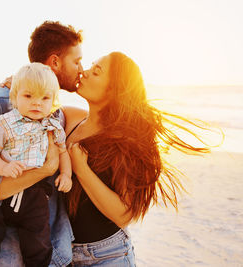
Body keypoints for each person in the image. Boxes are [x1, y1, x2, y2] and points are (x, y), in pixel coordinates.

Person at [62, 51, 211, 266]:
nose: (84, 72)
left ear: (113, 90)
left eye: (96, 72)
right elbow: (34, 103)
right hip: (64, 253)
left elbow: (124, 215)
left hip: (107, 255)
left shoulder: (125, 141)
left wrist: (82, 170)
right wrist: (15, 85)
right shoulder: (70, 118)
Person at [0, 20, 83, 266]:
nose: (81, 68)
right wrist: (44, 171)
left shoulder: (56, 113)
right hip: (7, 257)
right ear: (55, 62)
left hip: (53, 253)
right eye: (77, 61)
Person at [0, 63, 72, 266]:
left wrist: (66, 174)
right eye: (28, 96)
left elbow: (62, 152)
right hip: (3, 187)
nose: (37, 103)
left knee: (39, 240)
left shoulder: (52, 127)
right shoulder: (2, 123)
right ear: (15, 96)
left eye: (44, 98)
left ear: (53, 100)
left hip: (34, 194)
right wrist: (4, 167)